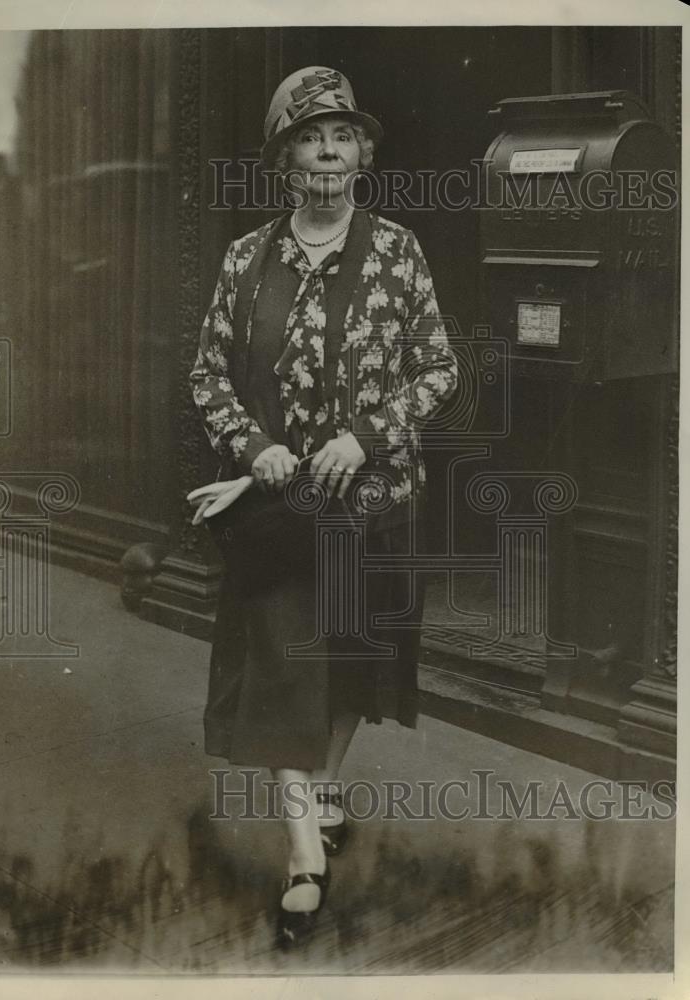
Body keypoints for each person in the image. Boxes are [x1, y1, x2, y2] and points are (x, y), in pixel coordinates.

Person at [189, 66, 458, 947]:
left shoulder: (396, 250)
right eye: (311, 138)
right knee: (282, 675)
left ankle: (326, 786)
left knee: (349, 667)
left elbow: (439, 369)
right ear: (284, 159)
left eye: (343, 136)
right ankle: (305, 855)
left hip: (371, 503)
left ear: (363, 153)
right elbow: (207, 375)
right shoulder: (246, 260)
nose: (329, 152)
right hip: (277, 512)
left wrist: (365, 435)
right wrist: (254, 446)